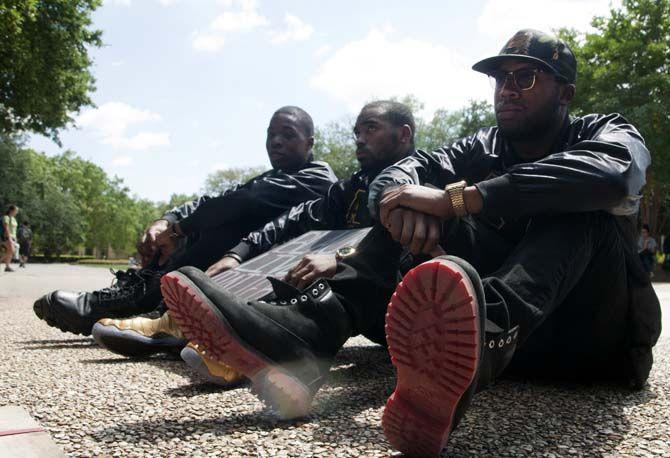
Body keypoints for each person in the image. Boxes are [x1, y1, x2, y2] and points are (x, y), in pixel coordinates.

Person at [160, 29, 661, 457]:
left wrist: (460, 200)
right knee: (414, 206)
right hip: (510, 354)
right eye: (500, 78)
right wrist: (399, 205)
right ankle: (304, 339)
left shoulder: (603, 132)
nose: (507, 90)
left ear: (565, 93)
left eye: (524, 77)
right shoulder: (479, 146)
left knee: (577, 205)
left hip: (595, 346)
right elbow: (398, 174)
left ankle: (486, 331)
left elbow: (614, 174)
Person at [91, 100, 417, 377]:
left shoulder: (417, 177)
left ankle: (256, 348)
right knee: (298, 238)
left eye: (370, 129)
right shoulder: (351, 186)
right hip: (358, 299)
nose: (360, 139)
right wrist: (237, 254)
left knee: (317, 249)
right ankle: (183, 324)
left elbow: (389, 243)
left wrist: (342, 256)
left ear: (403, 135)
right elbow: (295, 218)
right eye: (357, 132)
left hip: (401, 311)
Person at [33, 106, 338, 336]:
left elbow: (245, 200)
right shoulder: (273, 175)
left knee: (227, 221)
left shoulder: (318, 178)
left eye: (288, 135)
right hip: (238, 267)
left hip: (276, 279)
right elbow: (221, 197)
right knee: (204, 219)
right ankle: (144, 294)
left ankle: (146, 299)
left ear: (310, 142)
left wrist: (180, 228)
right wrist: (166, 222)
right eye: (271, 135)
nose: (276, 142)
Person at [1, 205, 19, 272]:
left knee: (10, 252)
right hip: (7, 237)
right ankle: (7, 266)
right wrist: (9, 238)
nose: (17, 212)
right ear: (11, 210)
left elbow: (14, 229)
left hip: (13, 237)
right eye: (16, 210)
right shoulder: (6, 217)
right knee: (11, 251)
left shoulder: (14, 219)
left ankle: (7, 267)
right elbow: (6, 228)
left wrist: (15, 238)